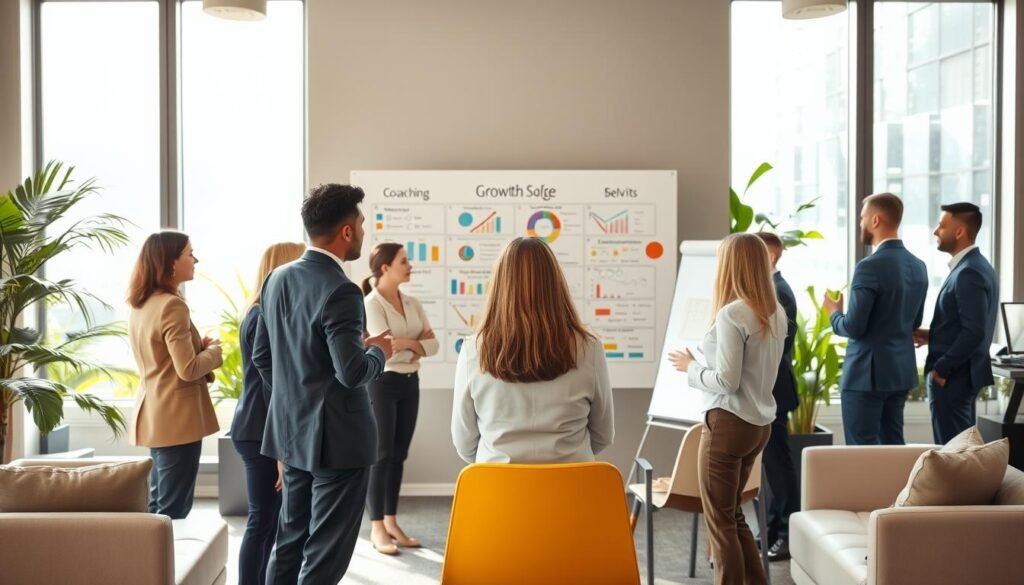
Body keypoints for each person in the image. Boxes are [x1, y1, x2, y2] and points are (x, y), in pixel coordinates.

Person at [253, 184, 393, 585]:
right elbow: (351, 373)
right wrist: (379, 351)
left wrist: (295, 397)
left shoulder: (276, 279)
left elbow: (264, 355)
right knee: (326, 552)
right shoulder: (343, 290)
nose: (364, 234)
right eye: (362, 224)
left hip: (292, 434)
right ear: (346, 231)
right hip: (340, 442)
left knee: (290, 540)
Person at [668, 233, 786, 585]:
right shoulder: (773, 311)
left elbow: (727, 381)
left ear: (730, 264)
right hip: (757, 425)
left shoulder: (733, 313)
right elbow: (746, 372)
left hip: (727, 424)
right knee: (732, 515)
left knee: (719, 521)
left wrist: (690, 368)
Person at [451, 237, 614, 464]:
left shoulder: (472, 350)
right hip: (571, 494)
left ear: (500, 286)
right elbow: (603, 436)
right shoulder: (590, 348)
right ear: (555, 284)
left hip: (500, 494)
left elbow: (464, 443)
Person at [127, 230, 223, 520]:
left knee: (159, 504)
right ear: (171, 262)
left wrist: (197, 348)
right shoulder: (172, 305)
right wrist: (214, 353)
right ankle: (164, 566)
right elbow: (188, 369)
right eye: (189, 253)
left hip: (156, 413)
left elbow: (163, 360)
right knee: (173, 510)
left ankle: (149, 564)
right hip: (177, 418)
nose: (196, 259)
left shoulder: (141, 303)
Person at [823, 192, 928, 446]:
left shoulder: (868, 267)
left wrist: (834, 313)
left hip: (865, 377)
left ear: (876, 220)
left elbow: (854, 327)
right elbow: (914, 322)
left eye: (862, 218)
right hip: (899, 373)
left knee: (861, 453)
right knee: (893, 447)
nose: (860, 224)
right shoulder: (919, 266)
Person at [230, 241, 305, 585]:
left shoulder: (258, 311)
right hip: (261, 430)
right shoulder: (263, 314)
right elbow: (270, 382)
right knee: (262, 521)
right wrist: (278, 446)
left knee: (268, 521)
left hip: (256, 426)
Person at [361, 243, 439, 555]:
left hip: (409, 381)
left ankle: (392, 521)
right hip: (382, 382)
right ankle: (376, 526)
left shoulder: (413, 302)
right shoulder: (371, 303)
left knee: (398, 455)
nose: (410, 266)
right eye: (404, 261)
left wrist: (408, 343)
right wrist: (414, 343)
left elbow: (433, 345)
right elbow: (386, 349)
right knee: (380, 455)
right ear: (385, 268)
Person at [914, 203, 998, 444]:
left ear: (959, 232)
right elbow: (967, 325)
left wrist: (942, 368)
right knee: (960, 450)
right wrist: (933, 335)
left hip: (953, 378)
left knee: (954, 454)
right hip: (959, 376)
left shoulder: (969, 272)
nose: (935, 231)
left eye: (942, 225)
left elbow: (974, 331)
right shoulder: (974, 266)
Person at [753, 232, 799, 563]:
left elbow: (775, 347)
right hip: (766, 390)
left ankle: (785, 535)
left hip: (774, 392)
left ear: (769, 257)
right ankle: (771, 530)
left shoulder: (778, 293)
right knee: (770, 465)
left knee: (778, 464)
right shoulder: (767, 290)